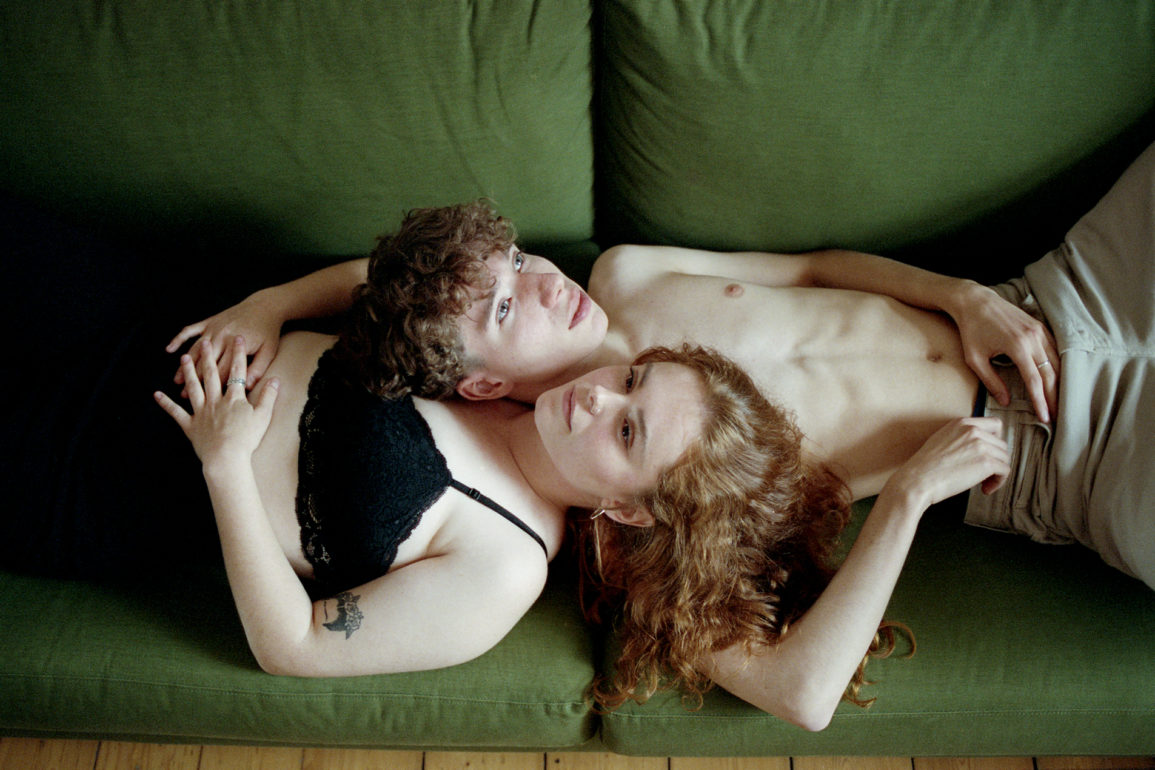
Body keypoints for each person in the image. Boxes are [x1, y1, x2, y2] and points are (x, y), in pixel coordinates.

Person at [171, 140, 1153, 727]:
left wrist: (968, 296)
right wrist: (905, 499)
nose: (537, 283)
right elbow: (798, 692)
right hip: (1058, 452)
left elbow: (811, 270)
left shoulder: (625, 277)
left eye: (522, 263)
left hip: (1050, 298)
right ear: (481, 382)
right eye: (506, 306)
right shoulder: (627, 509)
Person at [0, 196, 810, 681]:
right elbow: (418, 289)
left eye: (627, 430)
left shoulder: (501, 572)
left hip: (97, 474)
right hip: (150, 317)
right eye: (632, 379)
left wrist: (224, 466)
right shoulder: (541, 370)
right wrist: (270, 306)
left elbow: (295, 646)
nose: (598, 395)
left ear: (628, 509)